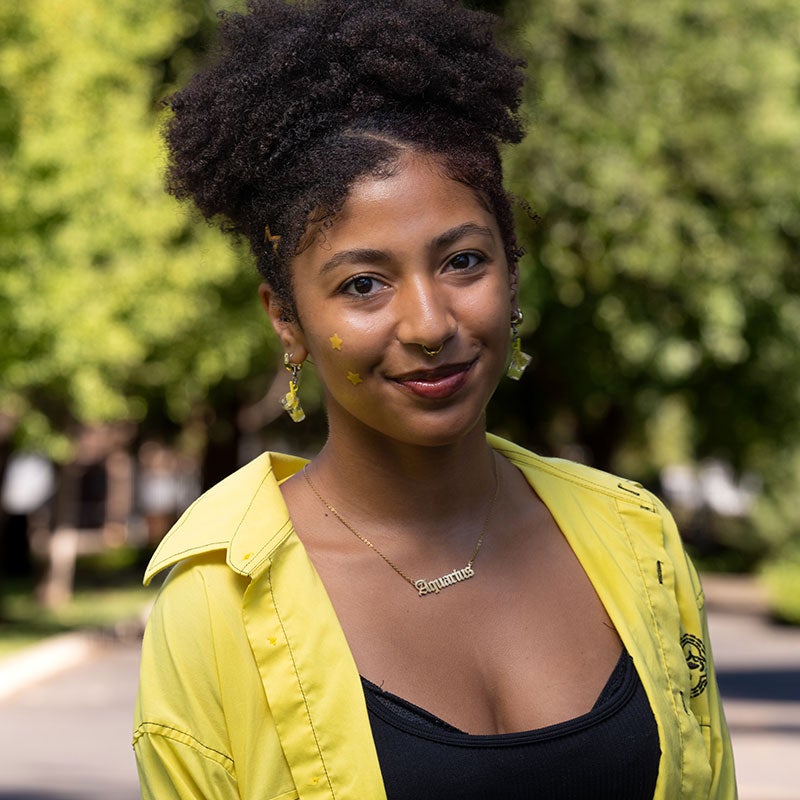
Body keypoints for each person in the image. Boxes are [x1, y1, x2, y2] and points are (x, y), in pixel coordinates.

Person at [133, 1, 737, 797]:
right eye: (363, 284)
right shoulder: (214, 604)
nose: (428, 323)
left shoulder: (639, 541)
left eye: (462, 261)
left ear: (512, 270)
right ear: (288, 319)